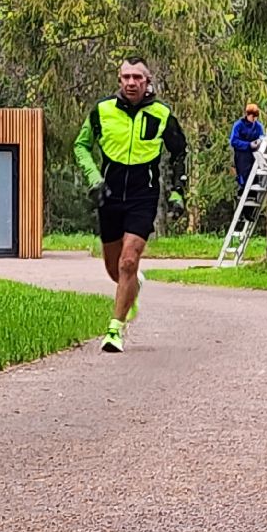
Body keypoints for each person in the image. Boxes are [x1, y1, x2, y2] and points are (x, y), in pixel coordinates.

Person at [74, 57, 188, 353]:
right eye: (126, 77)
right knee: (115, 269)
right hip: (109, 195)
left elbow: (179, 154)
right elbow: (81, 146)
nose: (131, 82)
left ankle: (114, 330)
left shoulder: (162, 115)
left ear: (147, 81)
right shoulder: (102, 111)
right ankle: (132, 285)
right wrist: (93, 179)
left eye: (138, 77)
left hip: (143, 195)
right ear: (119, 79)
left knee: (128, 260)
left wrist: (178, 193)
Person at [229, 104, 264, 194]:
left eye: (256, 117)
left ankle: (254, 190)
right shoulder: (238, 125)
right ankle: (243, 188)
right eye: (253, 116)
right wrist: (248, 145)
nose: (254, 119)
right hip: (242, 155)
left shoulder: (258, 126)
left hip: (254, 154)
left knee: (254, 173)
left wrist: (259, 142)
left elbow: (262, 137)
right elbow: (233, 141)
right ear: (248, 115)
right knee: (244, 174)